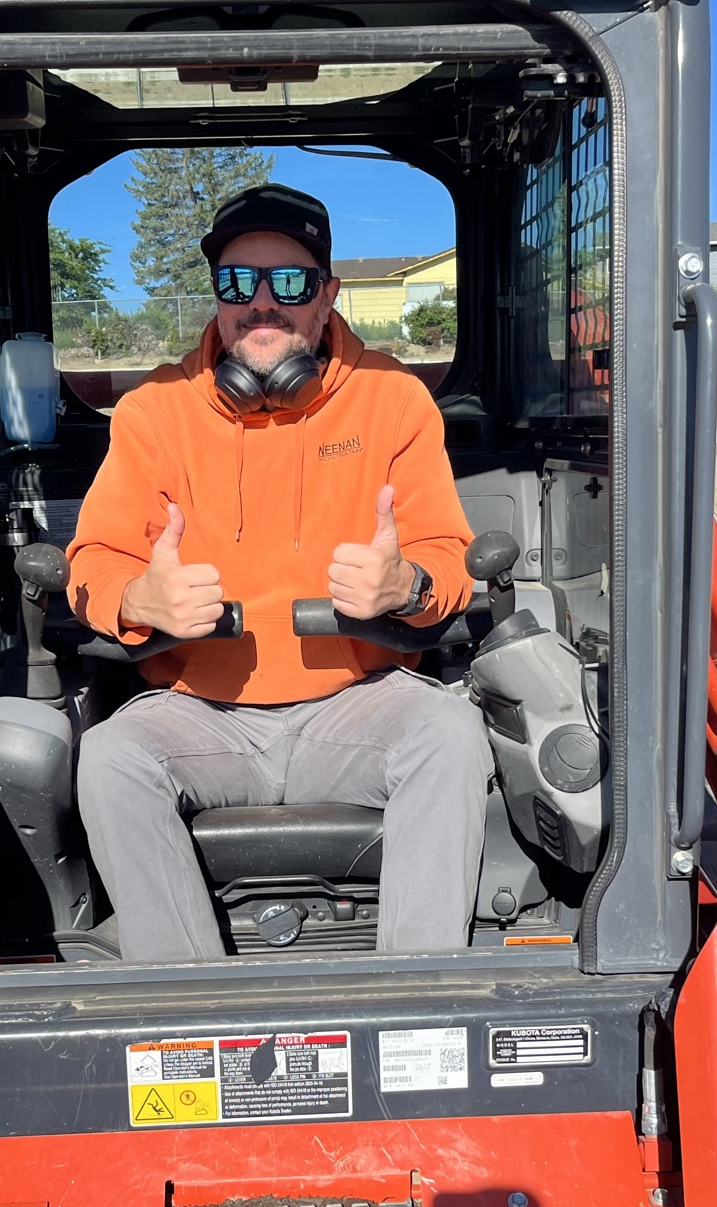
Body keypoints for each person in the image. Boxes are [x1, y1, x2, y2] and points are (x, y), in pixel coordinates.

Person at [68, 182, 491, 961]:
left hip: (356, 705)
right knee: (110, 755)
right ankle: (189, 1018)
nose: (262, 303)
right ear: (218, 298)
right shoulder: (151, 413)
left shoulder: (394, 400)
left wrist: (409, 589)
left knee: (450, 730)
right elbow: (92, 561)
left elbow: (445, 557)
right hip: (200, 716)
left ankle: (415, 1002)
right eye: (237, 282)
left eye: (289, 282)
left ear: (327, 296)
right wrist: (140, 596)